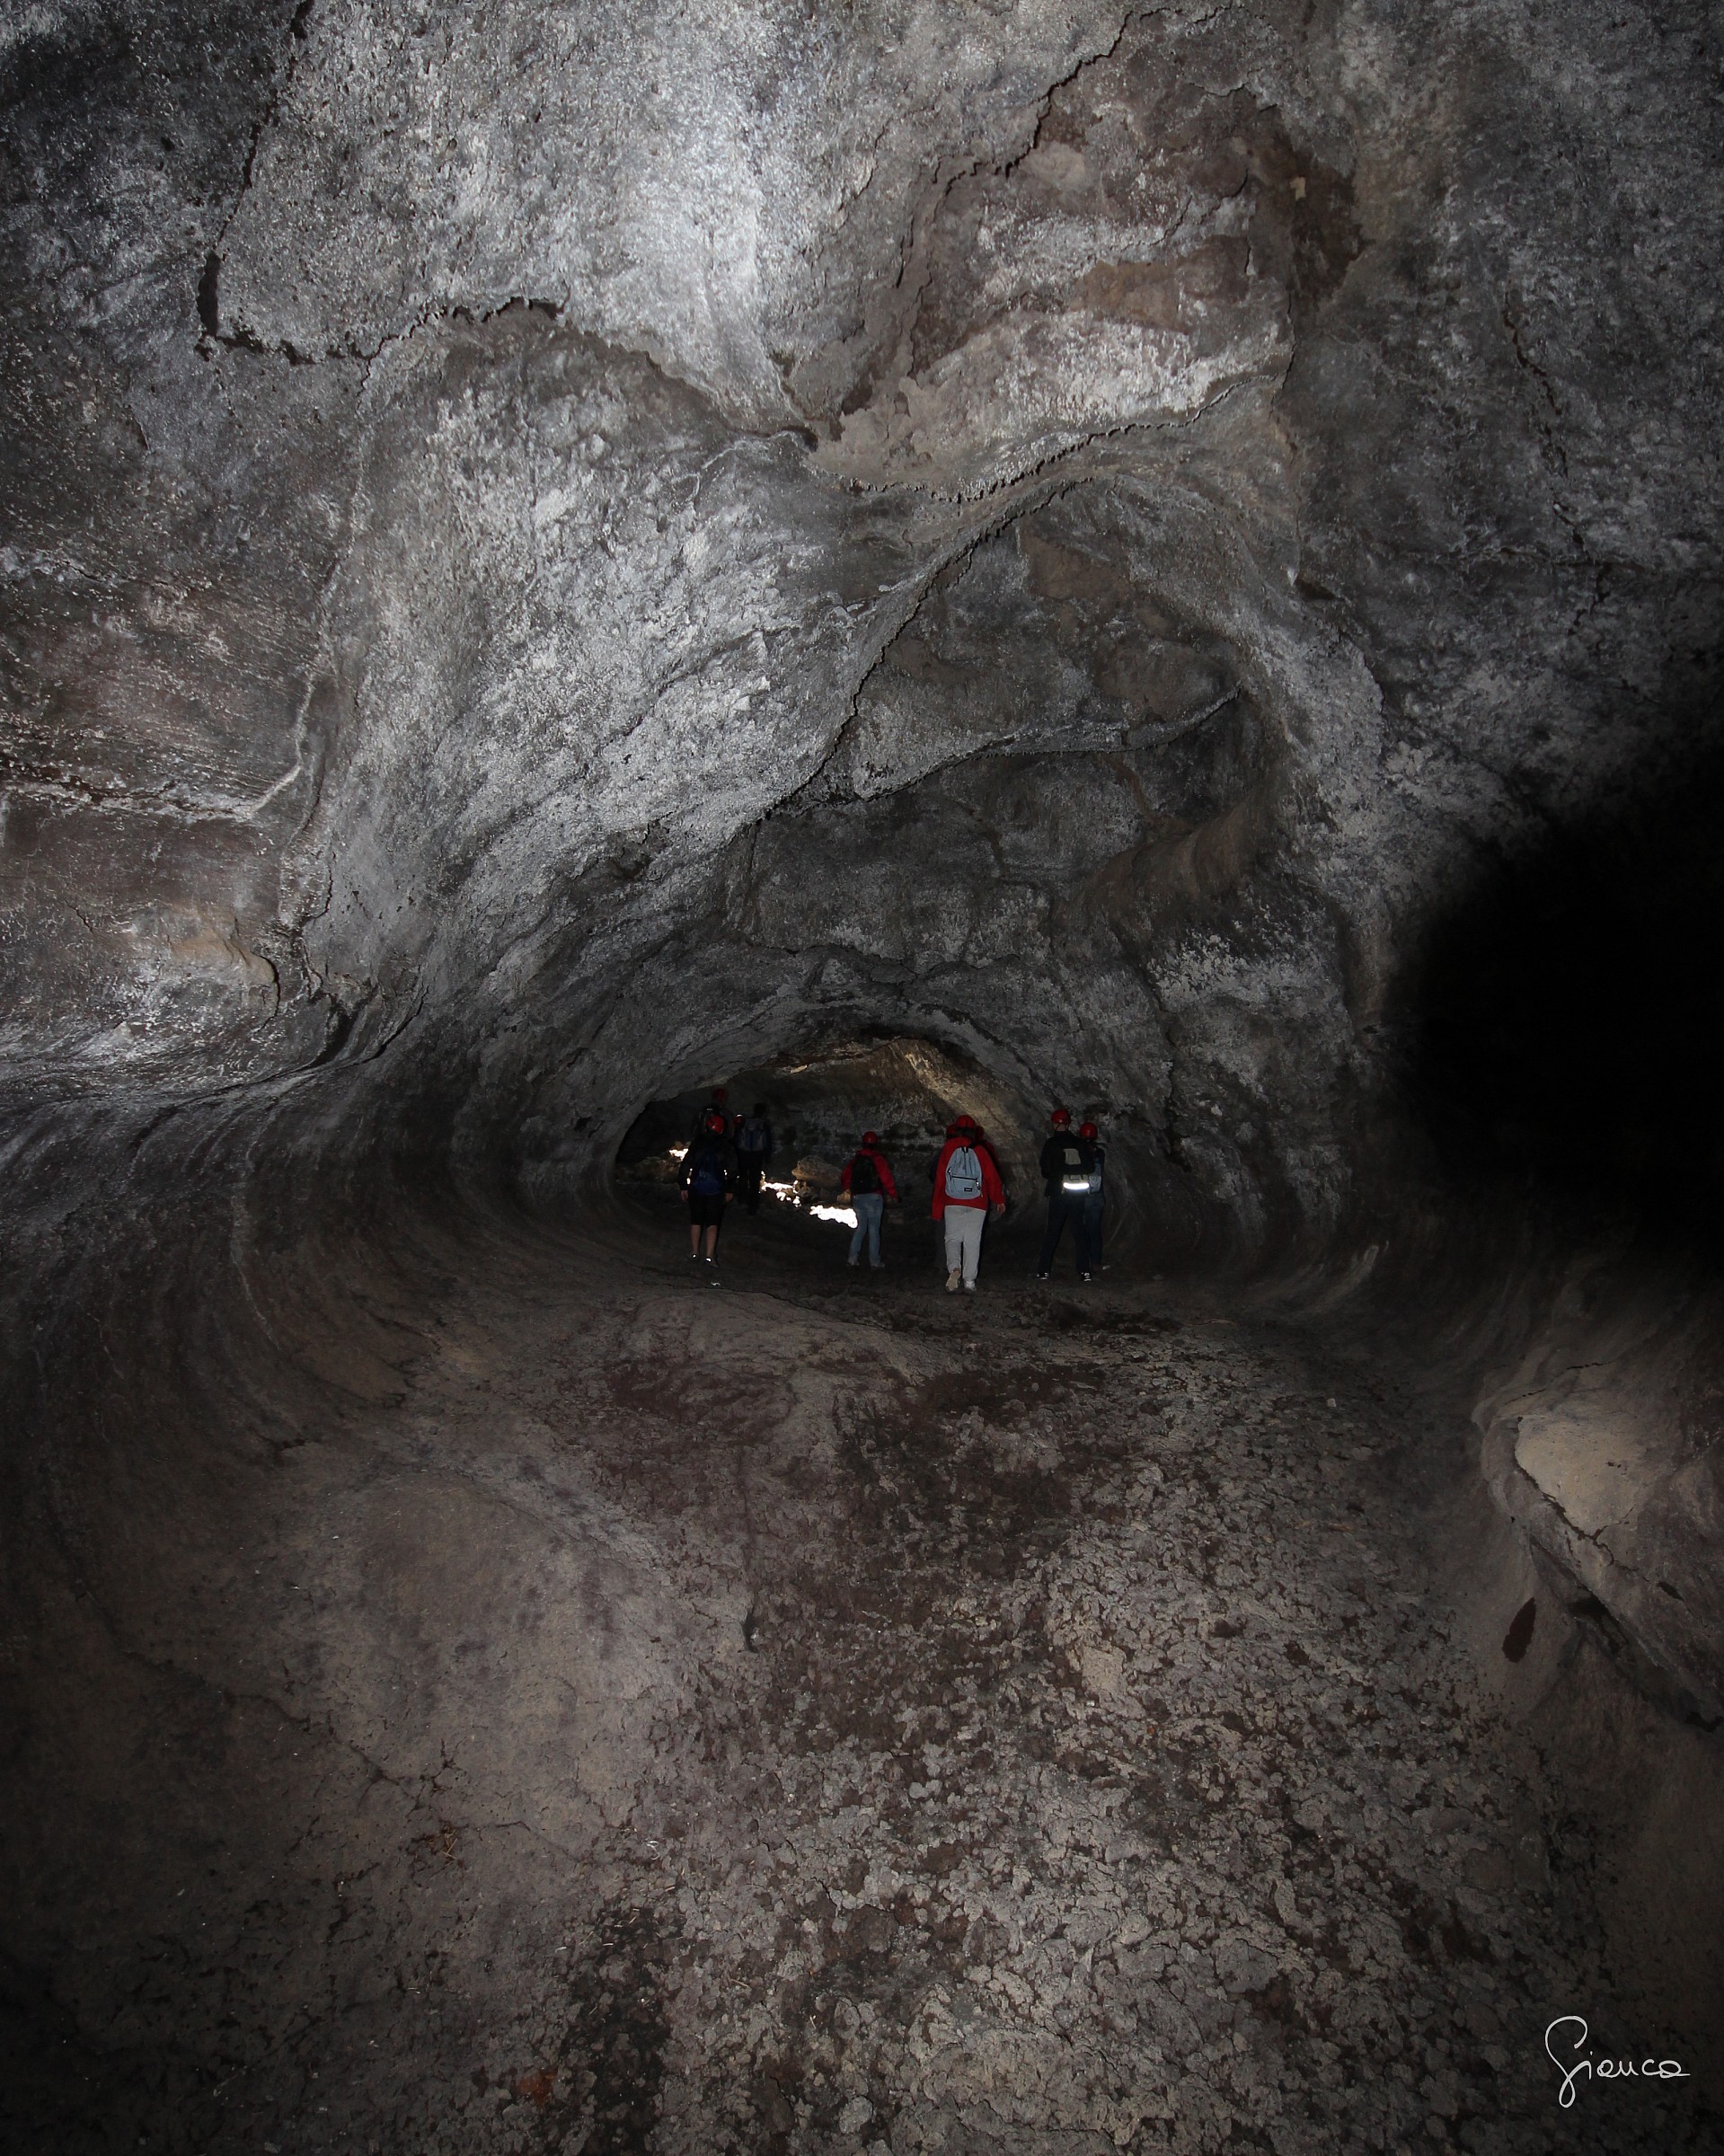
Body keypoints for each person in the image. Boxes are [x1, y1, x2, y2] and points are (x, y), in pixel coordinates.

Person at [932, 1113, 1005, 1292]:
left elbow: (940, 1179)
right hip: (977, 1202)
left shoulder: (949, 1147)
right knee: (972, 1241)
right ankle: (970, 1281)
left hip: (953, 1200)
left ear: (956, 1129)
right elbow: (992, 1177)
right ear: (974, 1131)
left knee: (952, 1238)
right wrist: (999, 1199)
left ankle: (954, 1269)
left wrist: (937, 1207)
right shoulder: (981, 1150)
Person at [1036, 1105, 1097, 1282]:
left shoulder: (1052, 1144)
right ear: (1069, 1124)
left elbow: (1045, 1170)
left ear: (1055, 1124)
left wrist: (1058, 1173)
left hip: (1059, 1193)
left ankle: (1044, 1271)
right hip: (1078, 1194)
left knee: (1052, 1232)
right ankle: (1085, 1272)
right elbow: (1090, 1167)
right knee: (1079, 1232)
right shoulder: (1079, 1143)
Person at [678, 1109, 735, 1277]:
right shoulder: (726, 1145)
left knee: (696, 1220)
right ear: (722, 1129)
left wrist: (683, 1185)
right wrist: (730, 1189)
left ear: (707, 1126)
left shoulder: (698, 1142)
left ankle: (694, 1252)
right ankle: (710, 1257)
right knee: (713, 1222)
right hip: (716, 1189)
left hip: (697, 1186)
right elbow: (733, 1169)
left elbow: (686, 1165)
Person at [841, 1130, 898, 1268]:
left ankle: (852, 1258)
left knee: (861, 1227)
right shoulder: (878, 1159)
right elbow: (886, 1178)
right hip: (874, 1197)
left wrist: (848, 1188)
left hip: (858, 1197)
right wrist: (893, 1194)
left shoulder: (856, 1159)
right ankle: (874, 1261)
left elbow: (845, 1175)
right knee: (874, 1229)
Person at [1076, 1118, 1105, 1280]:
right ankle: (1095, 1262)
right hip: (1097, 1197)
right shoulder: (1100, 1153)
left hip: (1081, 1197)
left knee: (1083, 1231)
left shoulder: (1079, 1152)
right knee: (1094, 1231)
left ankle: (1084, 1263)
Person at [734, 1101, 774, 1215]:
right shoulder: (764, 1124)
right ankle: (753, 1207)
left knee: (742, 1178)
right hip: (757, 1155)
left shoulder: (745, 1122)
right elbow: (768, 1142)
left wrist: (736, 1154)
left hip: (743, 1154)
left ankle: (741, 1201)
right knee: (754, 1181)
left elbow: (737, 1139)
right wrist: (767, 1157)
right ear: (763, 1112)